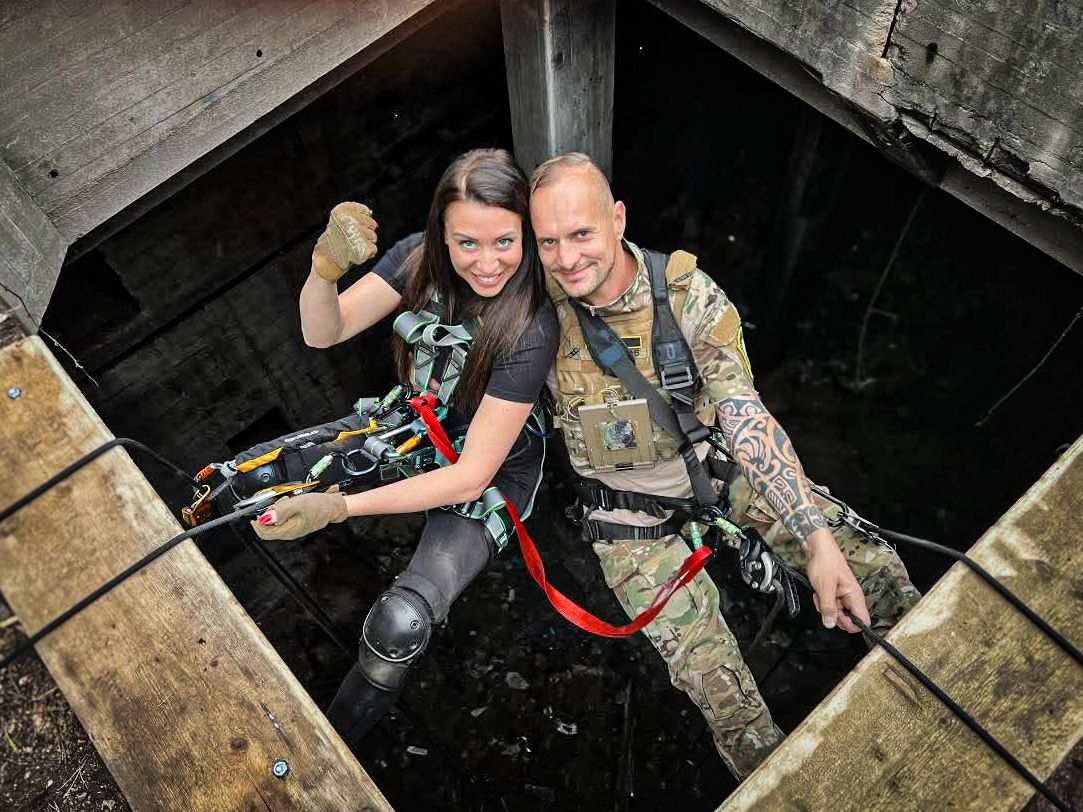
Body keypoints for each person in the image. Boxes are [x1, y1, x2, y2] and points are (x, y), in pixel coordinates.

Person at [528, 152, 921, 779]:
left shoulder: (687, 297)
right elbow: (451, 267)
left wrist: (816, 541)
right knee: (726, 701)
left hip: (715, 468)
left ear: (618, 219)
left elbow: (745, 419)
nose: (567, 257)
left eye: (582, 234)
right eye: (548, 241)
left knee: (873, 569)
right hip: (626, 516)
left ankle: (942, 686)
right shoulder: (529, 310)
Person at [253, 148, 559, 749]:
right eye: (466, 243)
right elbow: (324, 331)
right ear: (440, 236)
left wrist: (338, 508)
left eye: (505, 241)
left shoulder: (532, 325)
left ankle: (331, 751)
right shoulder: (417, 262)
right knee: (250, 476)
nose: (487, 263)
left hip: (493, 466)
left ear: (526, 231)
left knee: (401, 623)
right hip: (416, 425)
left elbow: (471, 476)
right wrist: (322, 269)